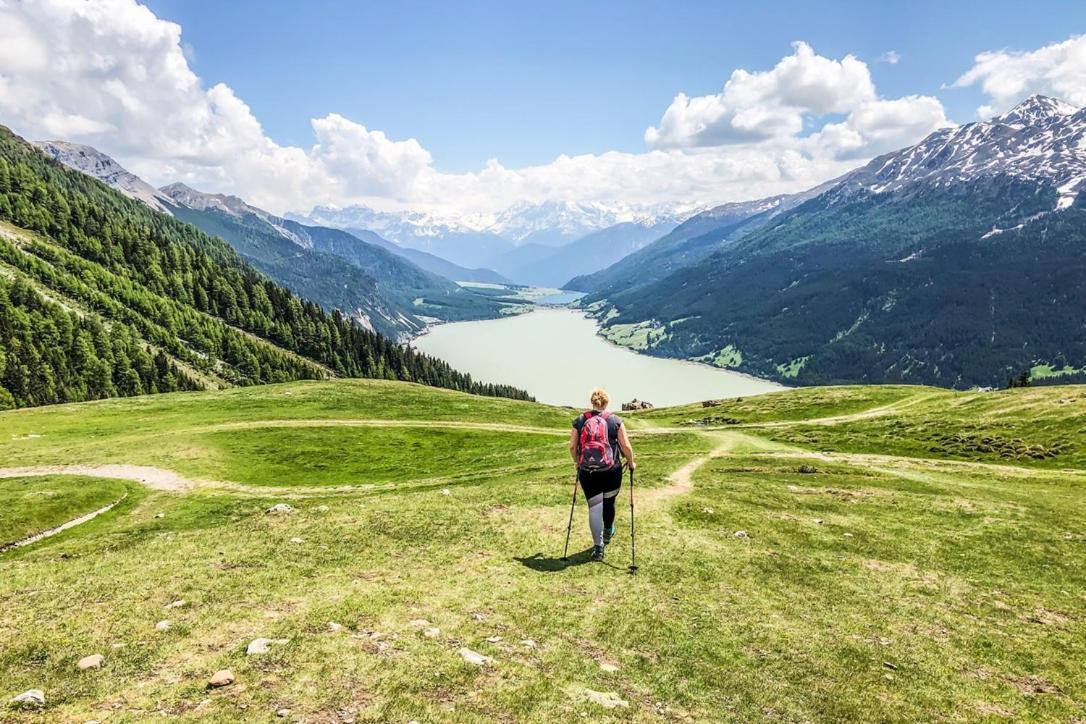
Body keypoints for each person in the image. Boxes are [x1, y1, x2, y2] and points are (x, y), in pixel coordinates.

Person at [569, 387, 635, 561]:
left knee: (594, 507)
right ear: (607, 402)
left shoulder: (580, 420)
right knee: (609, 502)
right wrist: (631, 462)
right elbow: (626, 446)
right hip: (610, 471)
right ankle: (608, 531)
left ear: (592, 401)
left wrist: (577, 462)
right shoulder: (615, 421)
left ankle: (598, 549)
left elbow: (572, 446)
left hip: (587, 472)